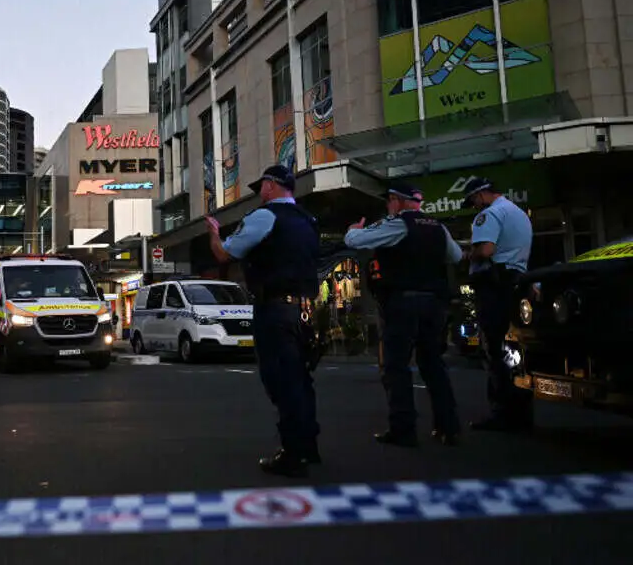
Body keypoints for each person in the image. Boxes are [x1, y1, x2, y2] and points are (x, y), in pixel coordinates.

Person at [206, 165, 320, 478]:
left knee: (281, 380)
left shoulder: (265, 216)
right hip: (305, 310)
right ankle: (308, 444)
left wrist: (214, 233)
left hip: (275, 310)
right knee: (300, 379)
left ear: (271, 186)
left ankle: (293, 454)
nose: (260, 193)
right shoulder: (309, 220)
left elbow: (225, 255)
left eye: (262, 186)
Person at [344, 183, 463, 446]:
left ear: (397, 201)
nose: (389, 206)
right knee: (433, 365)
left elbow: (355, 241)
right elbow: (456, 256)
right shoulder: (438, 227)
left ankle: (403, 428)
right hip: (434, 305)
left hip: (403, 303)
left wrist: (354, 231)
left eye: (389, 202)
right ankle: (448, 426)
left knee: (396, 366)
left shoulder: (399, 225)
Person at [462, 177, 534, 432]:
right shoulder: (517, 213)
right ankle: (522, 411)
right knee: (515, 349)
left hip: (494, 285)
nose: (474, 207)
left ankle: (502, 411)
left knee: (492, 348)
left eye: (473, 201)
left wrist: (469, 253)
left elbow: (486, 250)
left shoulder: (489, 215)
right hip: (516, 282)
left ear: (480, 195)